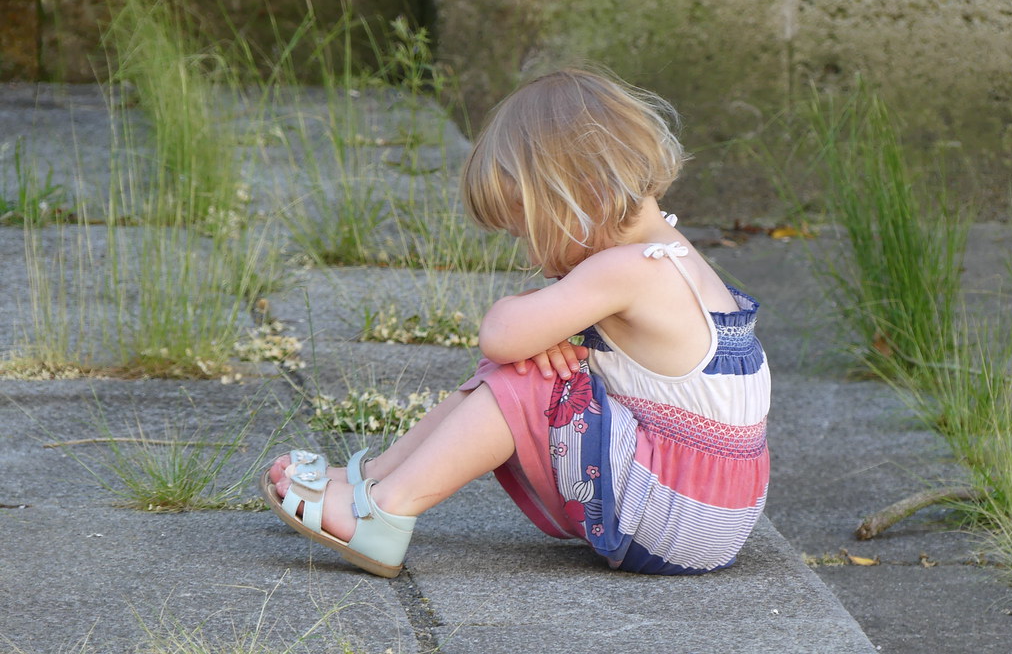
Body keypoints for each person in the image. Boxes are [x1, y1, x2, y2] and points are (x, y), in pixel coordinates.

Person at [262, 67, 770, 578]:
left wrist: (527, 328)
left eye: (528, 230)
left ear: (581, 196)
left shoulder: (627, 269)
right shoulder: (677, 260)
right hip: (709, 517)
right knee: (534, 369)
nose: (529, 252)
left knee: (524, 380)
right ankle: (369, 482)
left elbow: (502, 336)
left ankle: (386, 509)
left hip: (670, 519)